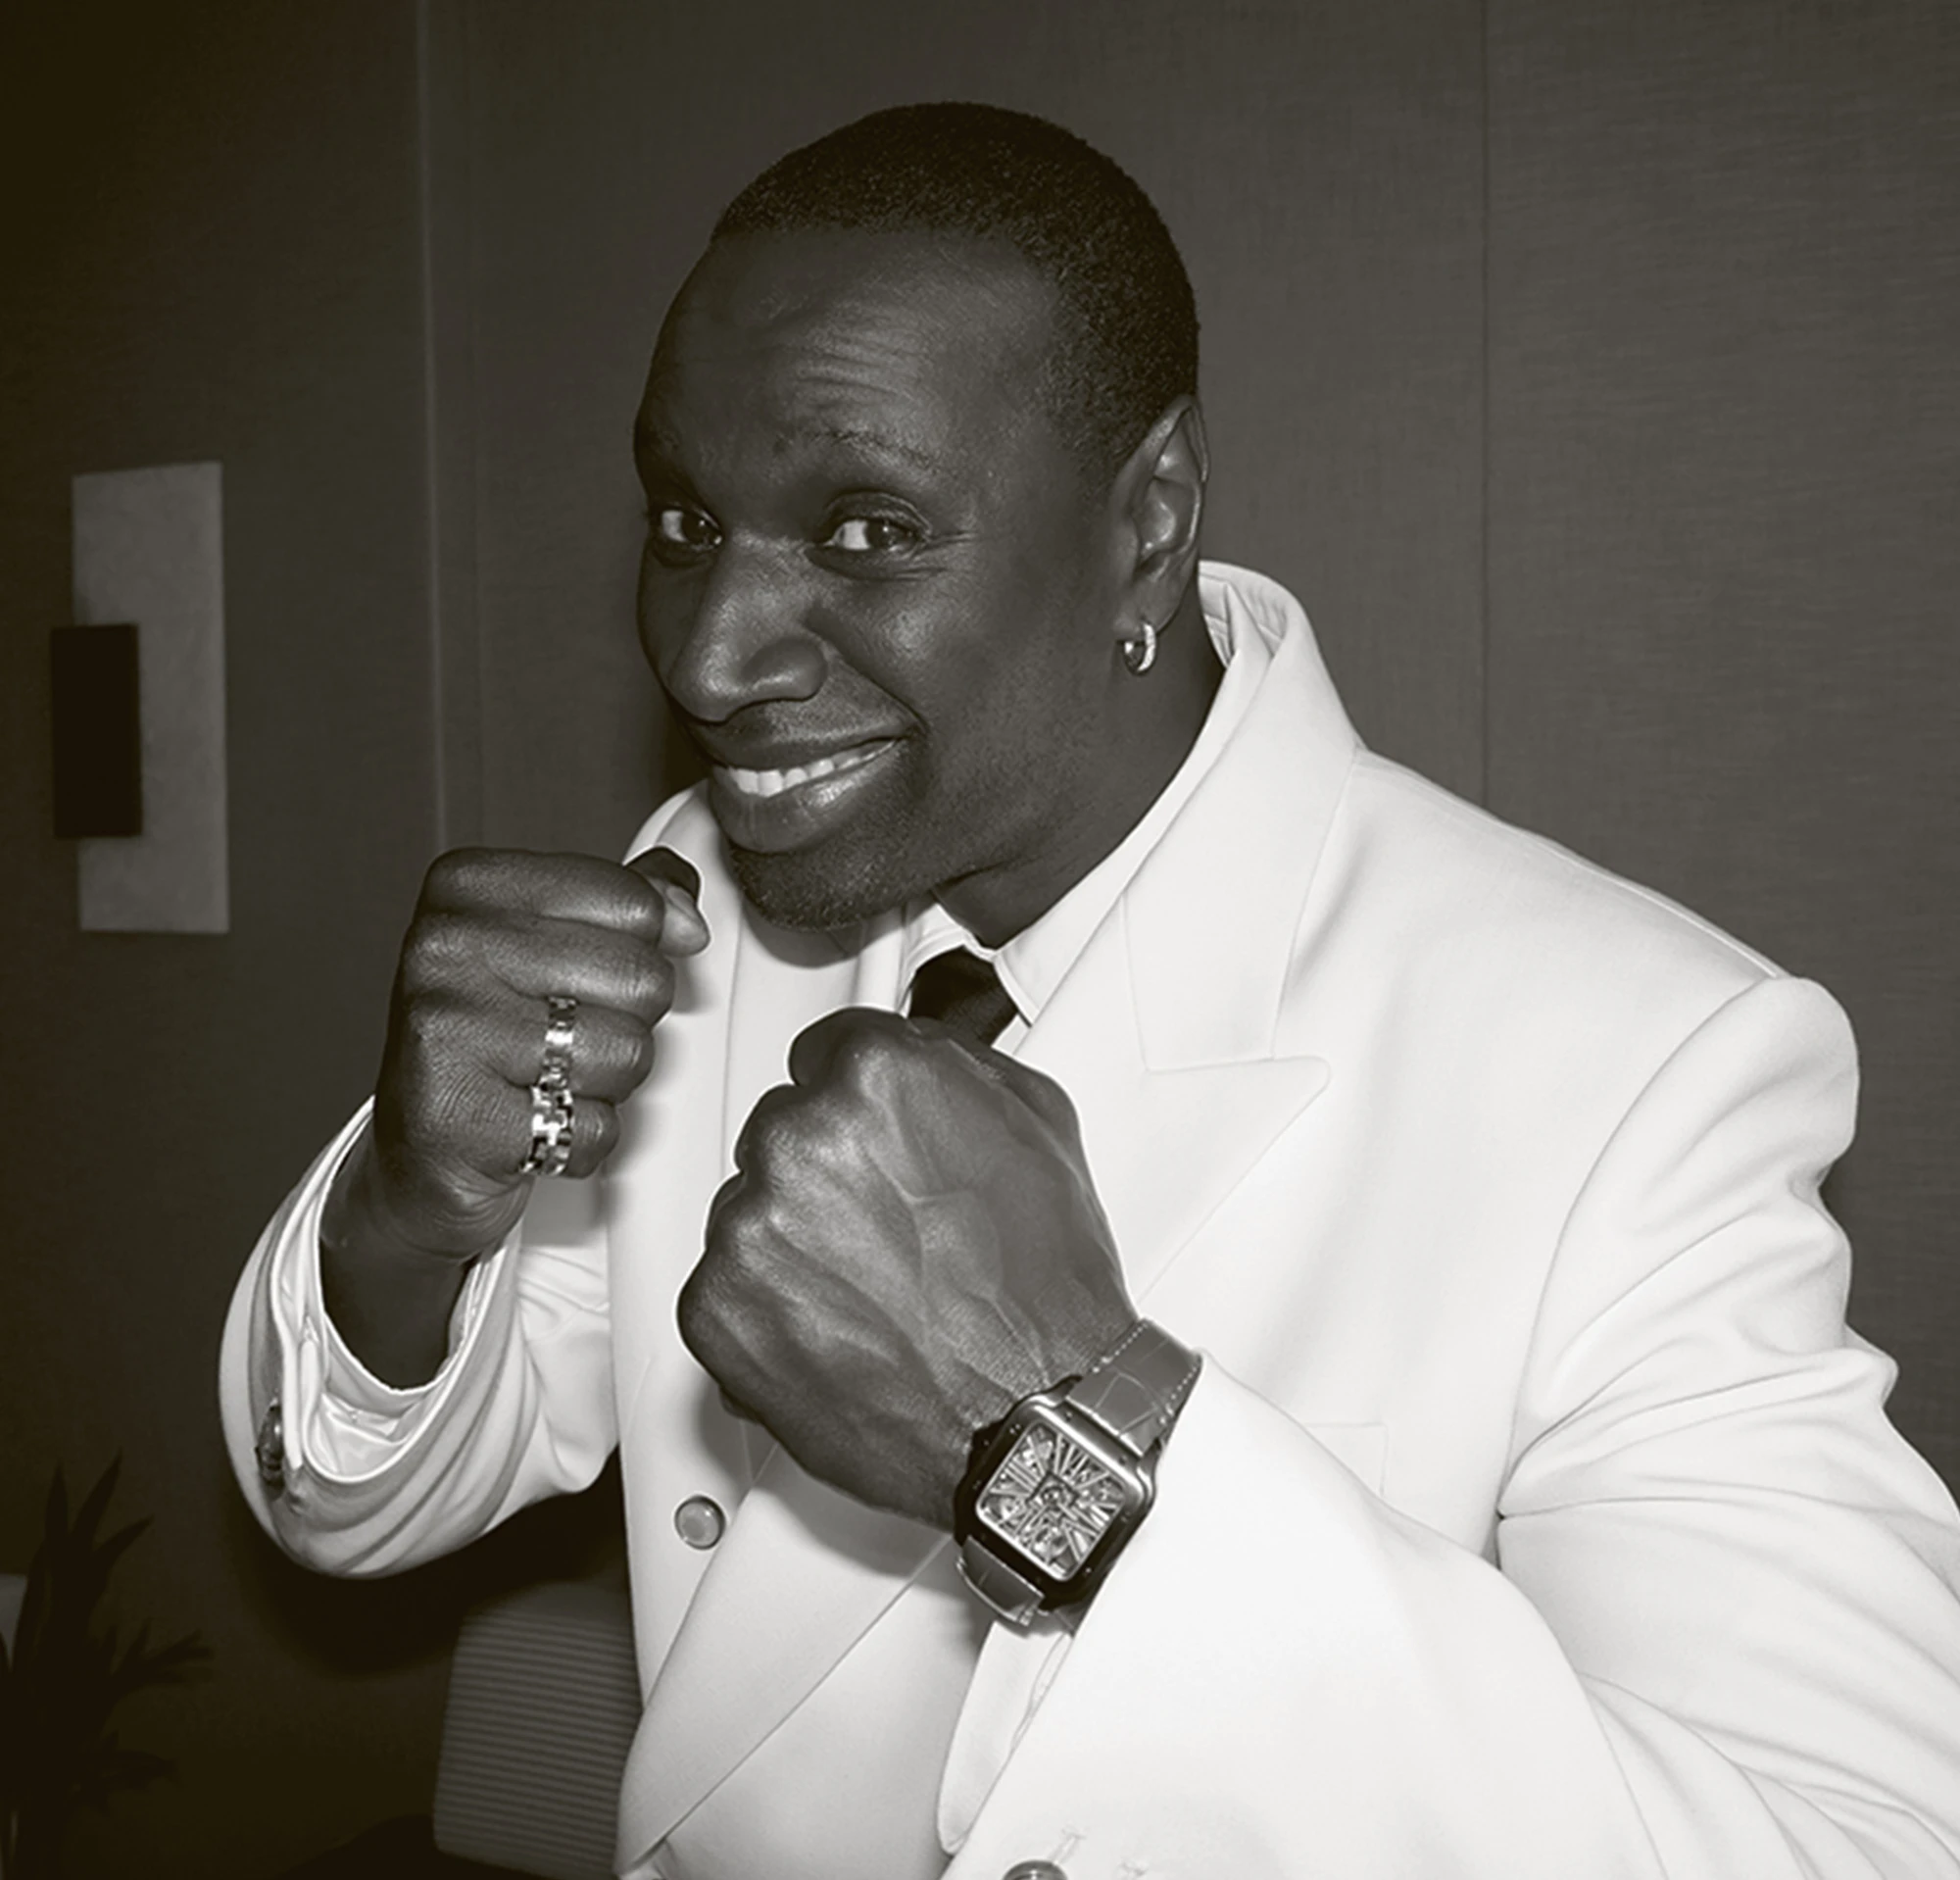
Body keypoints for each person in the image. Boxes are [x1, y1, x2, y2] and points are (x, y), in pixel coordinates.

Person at [220, 102, 1960, 1879]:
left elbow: (1862, 1844)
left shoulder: (1634, 1068)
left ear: (1148, 520)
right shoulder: (701, 901)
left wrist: (1061, 1436)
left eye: (868, 529)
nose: (711, 655)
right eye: (685, 516)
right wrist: (407, 1223)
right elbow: (349, 1507)